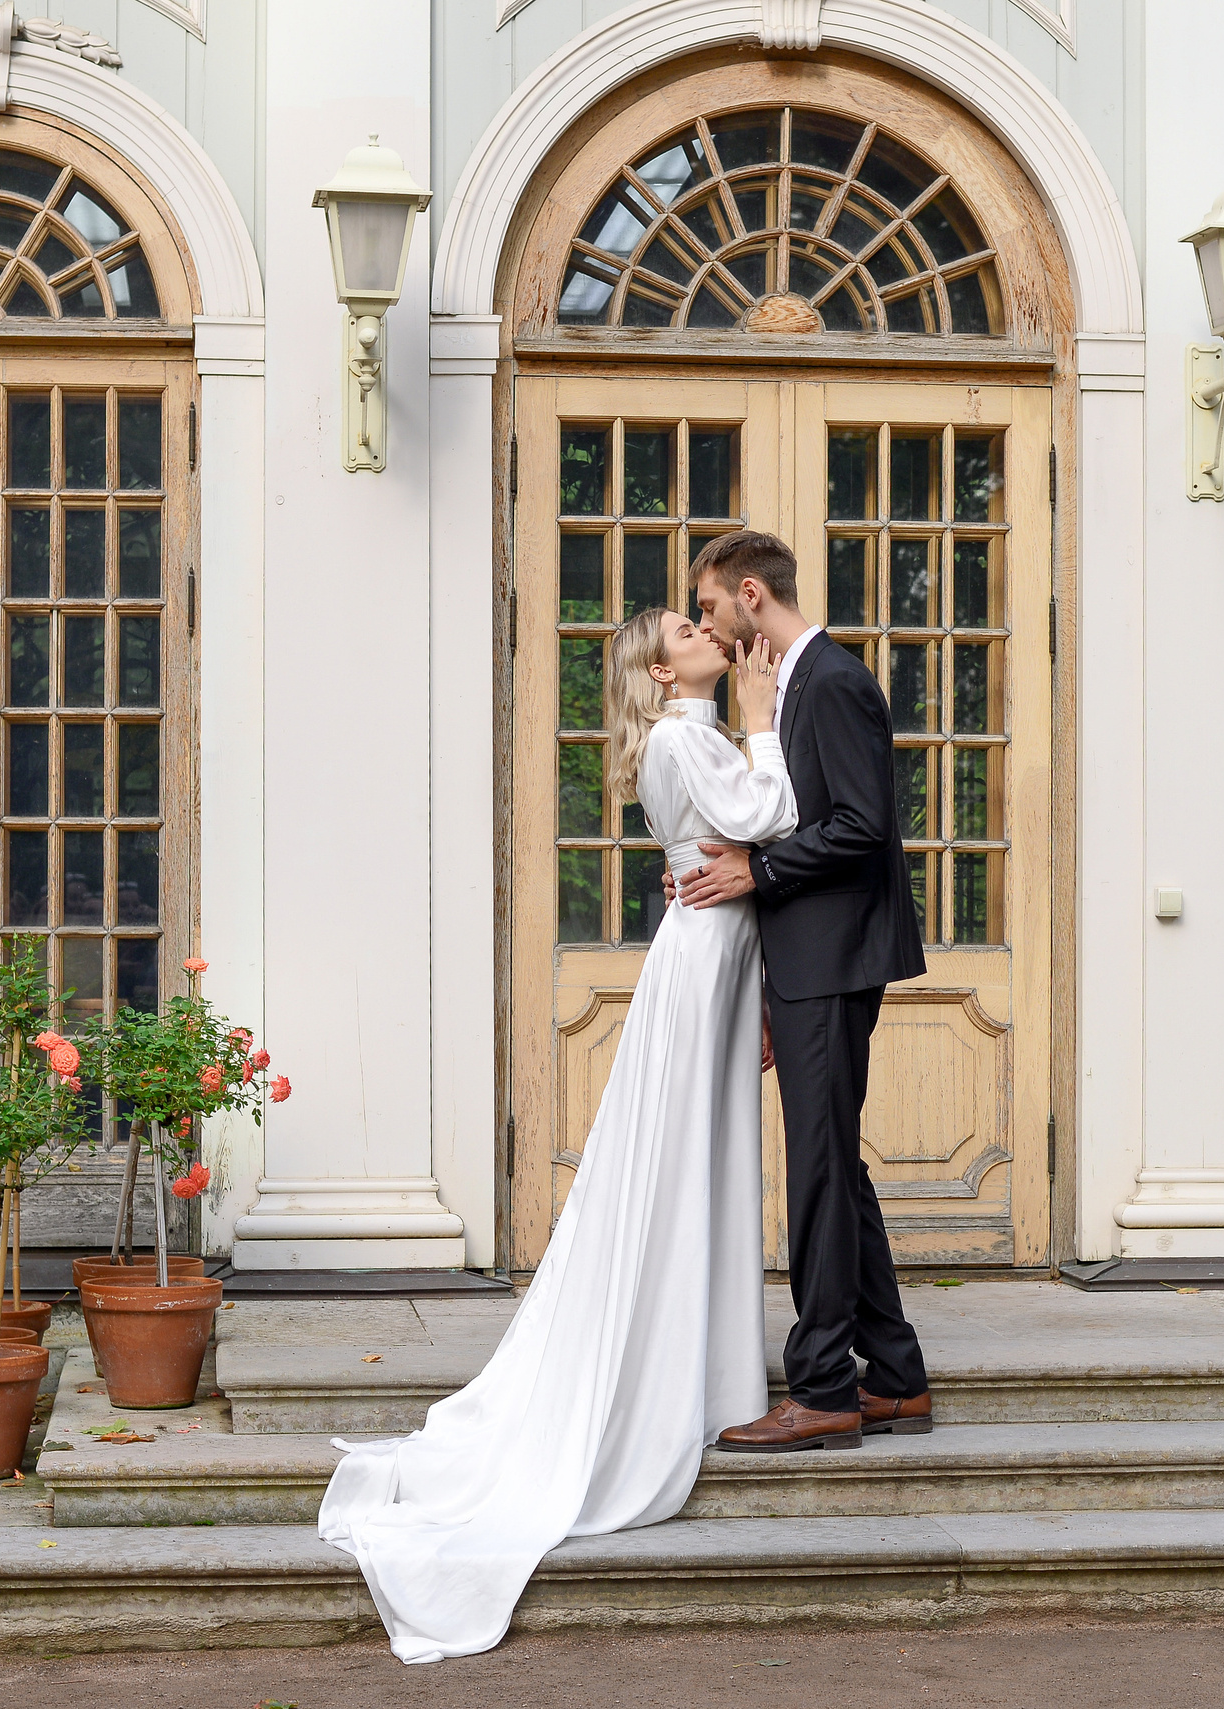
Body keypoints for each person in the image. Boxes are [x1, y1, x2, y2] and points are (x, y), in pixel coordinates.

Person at [317, 609, 792, 1665]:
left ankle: (710, 1373)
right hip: (704, 951)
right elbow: (770, 810)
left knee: (704, 1169)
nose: (710, 624)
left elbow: (750, 833)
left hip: (719, 952)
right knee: (676, 1166)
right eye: (687, 623)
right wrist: (762, 719)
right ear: (663, 668)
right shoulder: (684, 736)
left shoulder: (692, 733)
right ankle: (671, 1376)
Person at [680, 529, 932, 1453]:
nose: (704, 622)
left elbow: (864, 827)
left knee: (820, 1171)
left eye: (708, 605)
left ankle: (825, 1386)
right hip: (804, 963)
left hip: (834, 960)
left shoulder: (832, 682)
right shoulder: (787, 686)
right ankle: (895, 1377)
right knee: (837, 1167)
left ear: (751, 594)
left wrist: (758, 871)